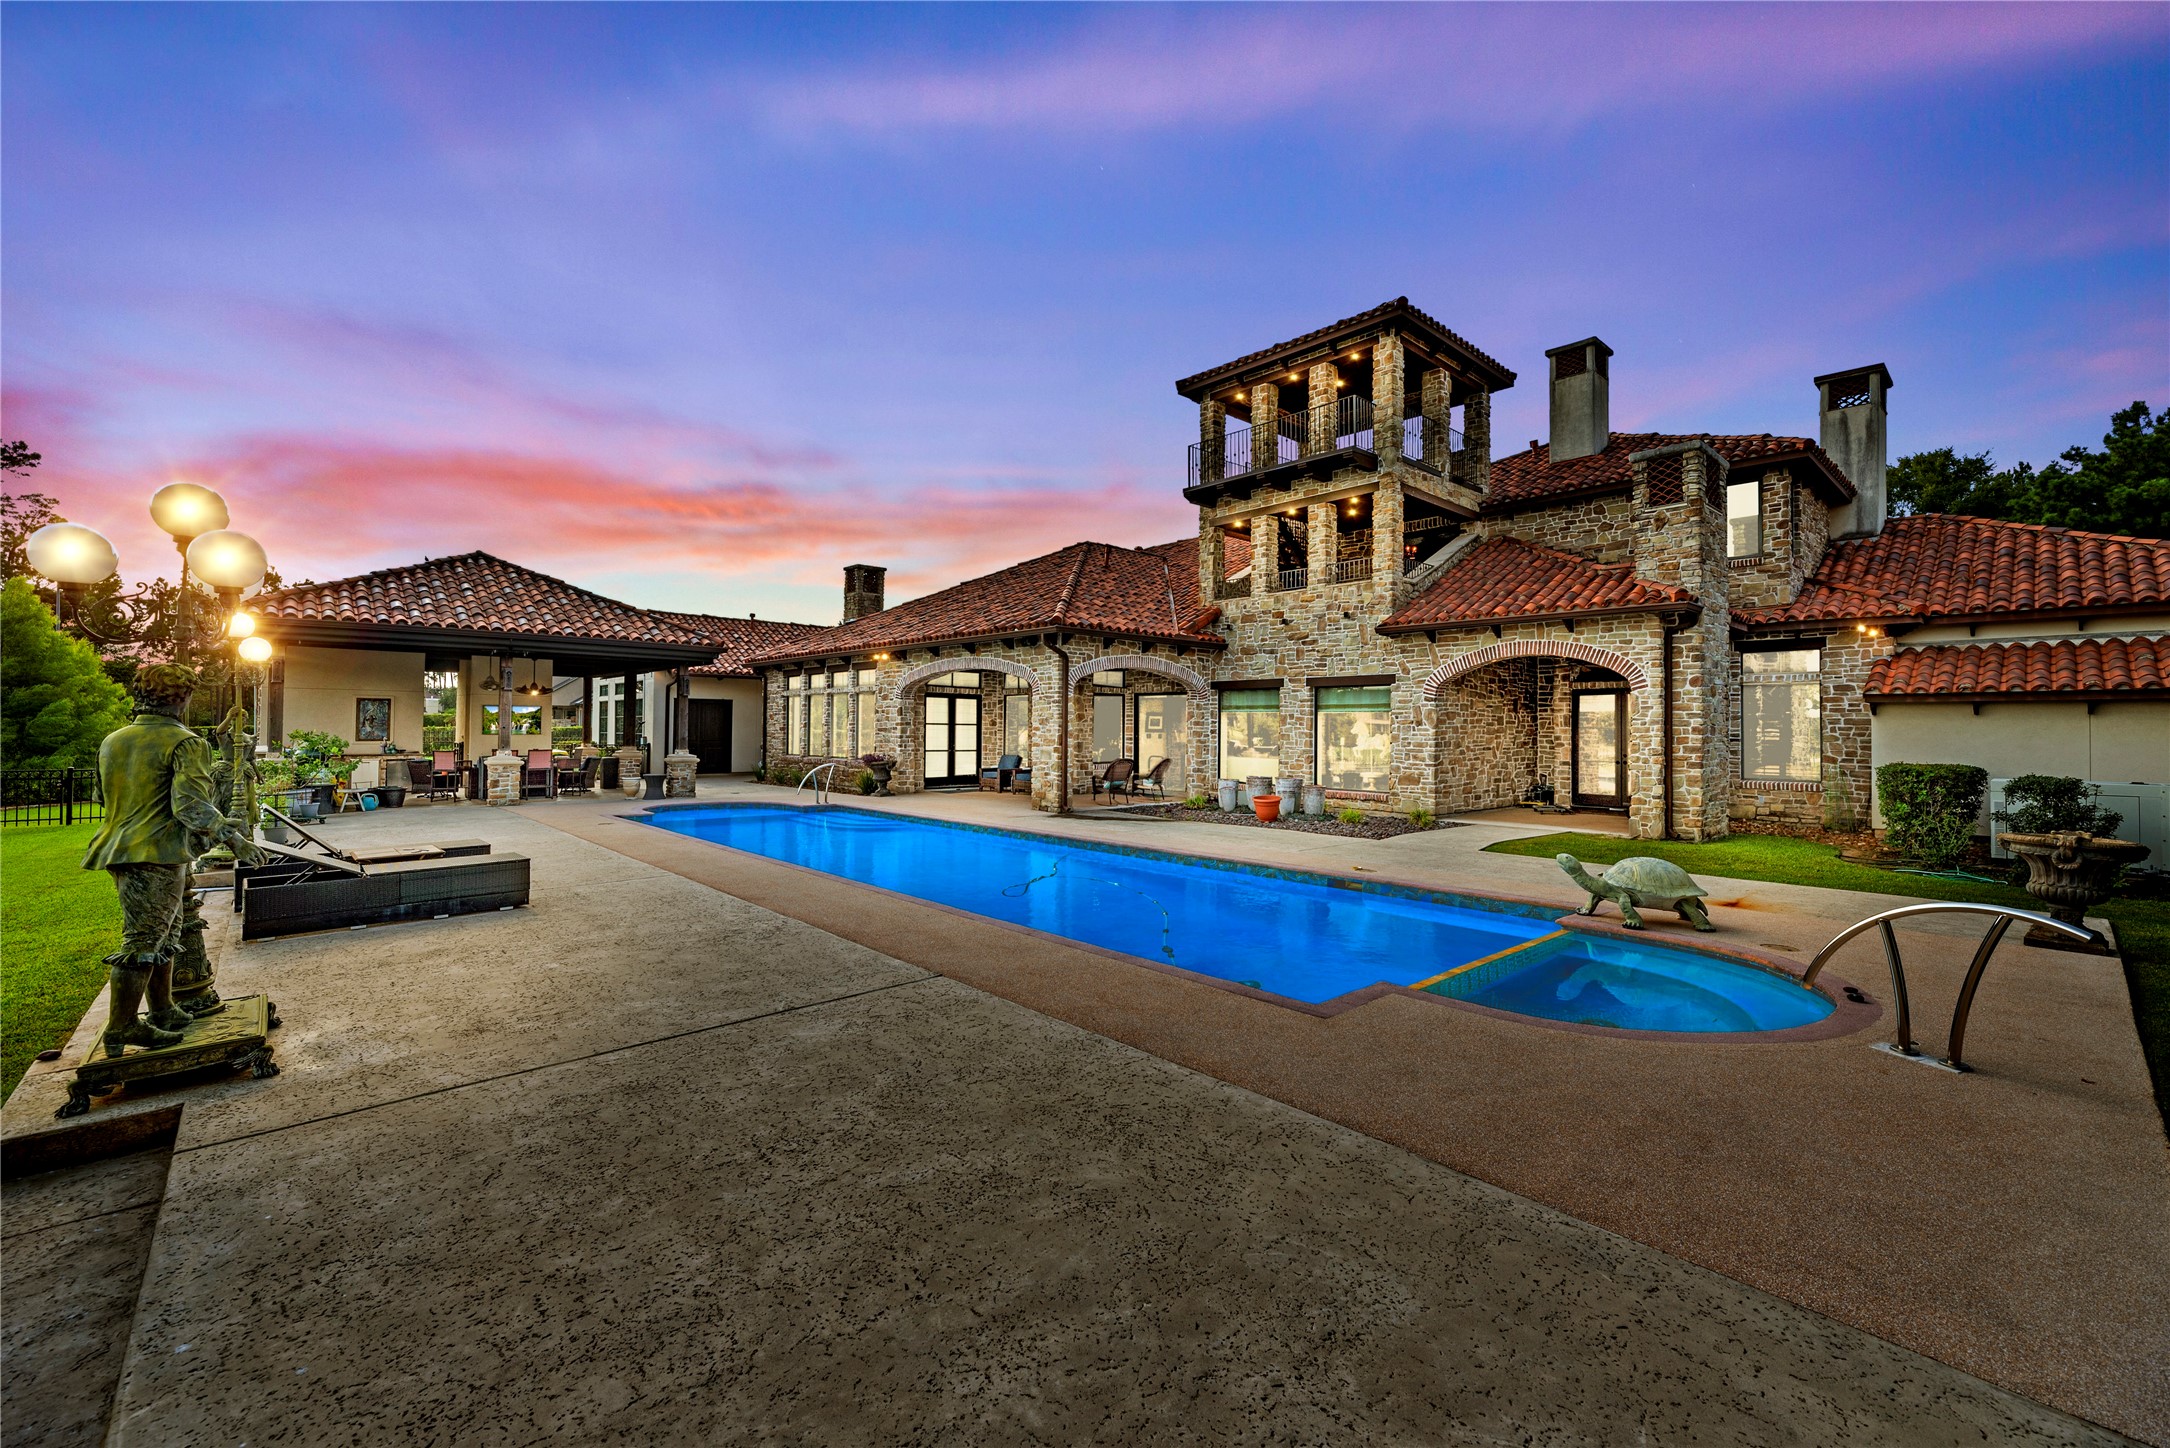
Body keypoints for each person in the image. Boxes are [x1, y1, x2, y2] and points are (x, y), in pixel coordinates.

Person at [80, 663, 258, 1056]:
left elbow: (101, 798)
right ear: (183, 697)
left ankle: (162, 1009)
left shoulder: (113, 741)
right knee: (143, 940)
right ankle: (122, 1026)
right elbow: (191, 805)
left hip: (120, 848)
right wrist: (235, 839)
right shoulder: (185, 742)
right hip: (157, 852)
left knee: (167, 932)